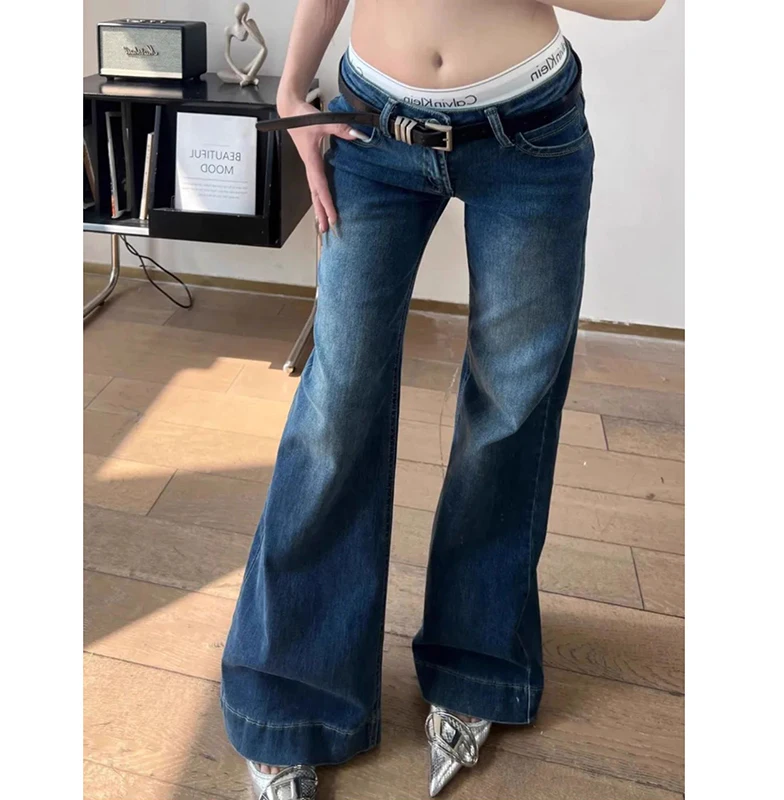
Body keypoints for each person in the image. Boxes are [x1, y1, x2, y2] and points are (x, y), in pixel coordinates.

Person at [221, 1, 666, 798]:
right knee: (336, 408)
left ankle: (477, 664)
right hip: (372, 128)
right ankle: (293, 697)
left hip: (529, 132)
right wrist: (292, 87)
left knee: (510, 409)